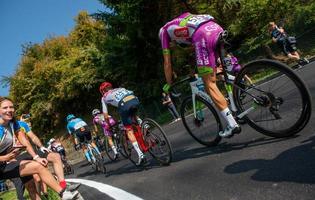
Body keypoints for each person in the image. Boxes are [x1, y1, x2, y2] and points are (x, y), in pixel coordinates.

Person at [159, 12, 241, 137]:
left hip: (203, 36)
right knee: (218, 72)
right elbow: (196, 47)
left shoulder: (164, 32)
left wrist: (169, 83)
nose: (171, 44)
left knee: (209, 84)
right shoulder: (182, 20)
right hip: (216, 28)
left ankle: (232, 124)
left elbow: (167, 63)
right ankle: (237, 95)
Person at [0, 96, 78, 200]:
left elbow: (25, 141)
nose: (9, 110)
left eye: (11, 107)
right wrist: (5, 158)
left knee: (38, 166)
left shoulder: (13, 124)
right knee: (30, 185)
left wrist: (36, 157)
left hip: (5, 165)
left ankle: (64, 194)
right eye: (5, 108)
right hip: (4, 162)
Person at [14, 118, 80, 198]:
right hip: (17, 156)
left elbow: (33, 137)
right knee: (32, 185)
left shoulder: (21, 124)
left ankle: (63, 187)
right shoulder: (3, 128)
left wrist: (41, 147)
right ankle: (44, 194)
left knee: (55, 156)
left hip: (30, 151)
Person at [99, 81, 146, 165]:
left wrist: (109, 125)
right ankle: (144, 125)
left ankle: (141, 155)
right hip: (133, 98)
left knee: (128, 130)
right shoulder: (120, 88)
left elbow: (105, 115)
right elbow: (131, 92)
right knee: (133, 114)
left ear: (102, 91)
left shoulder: (104, 97)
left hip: (124, 104)